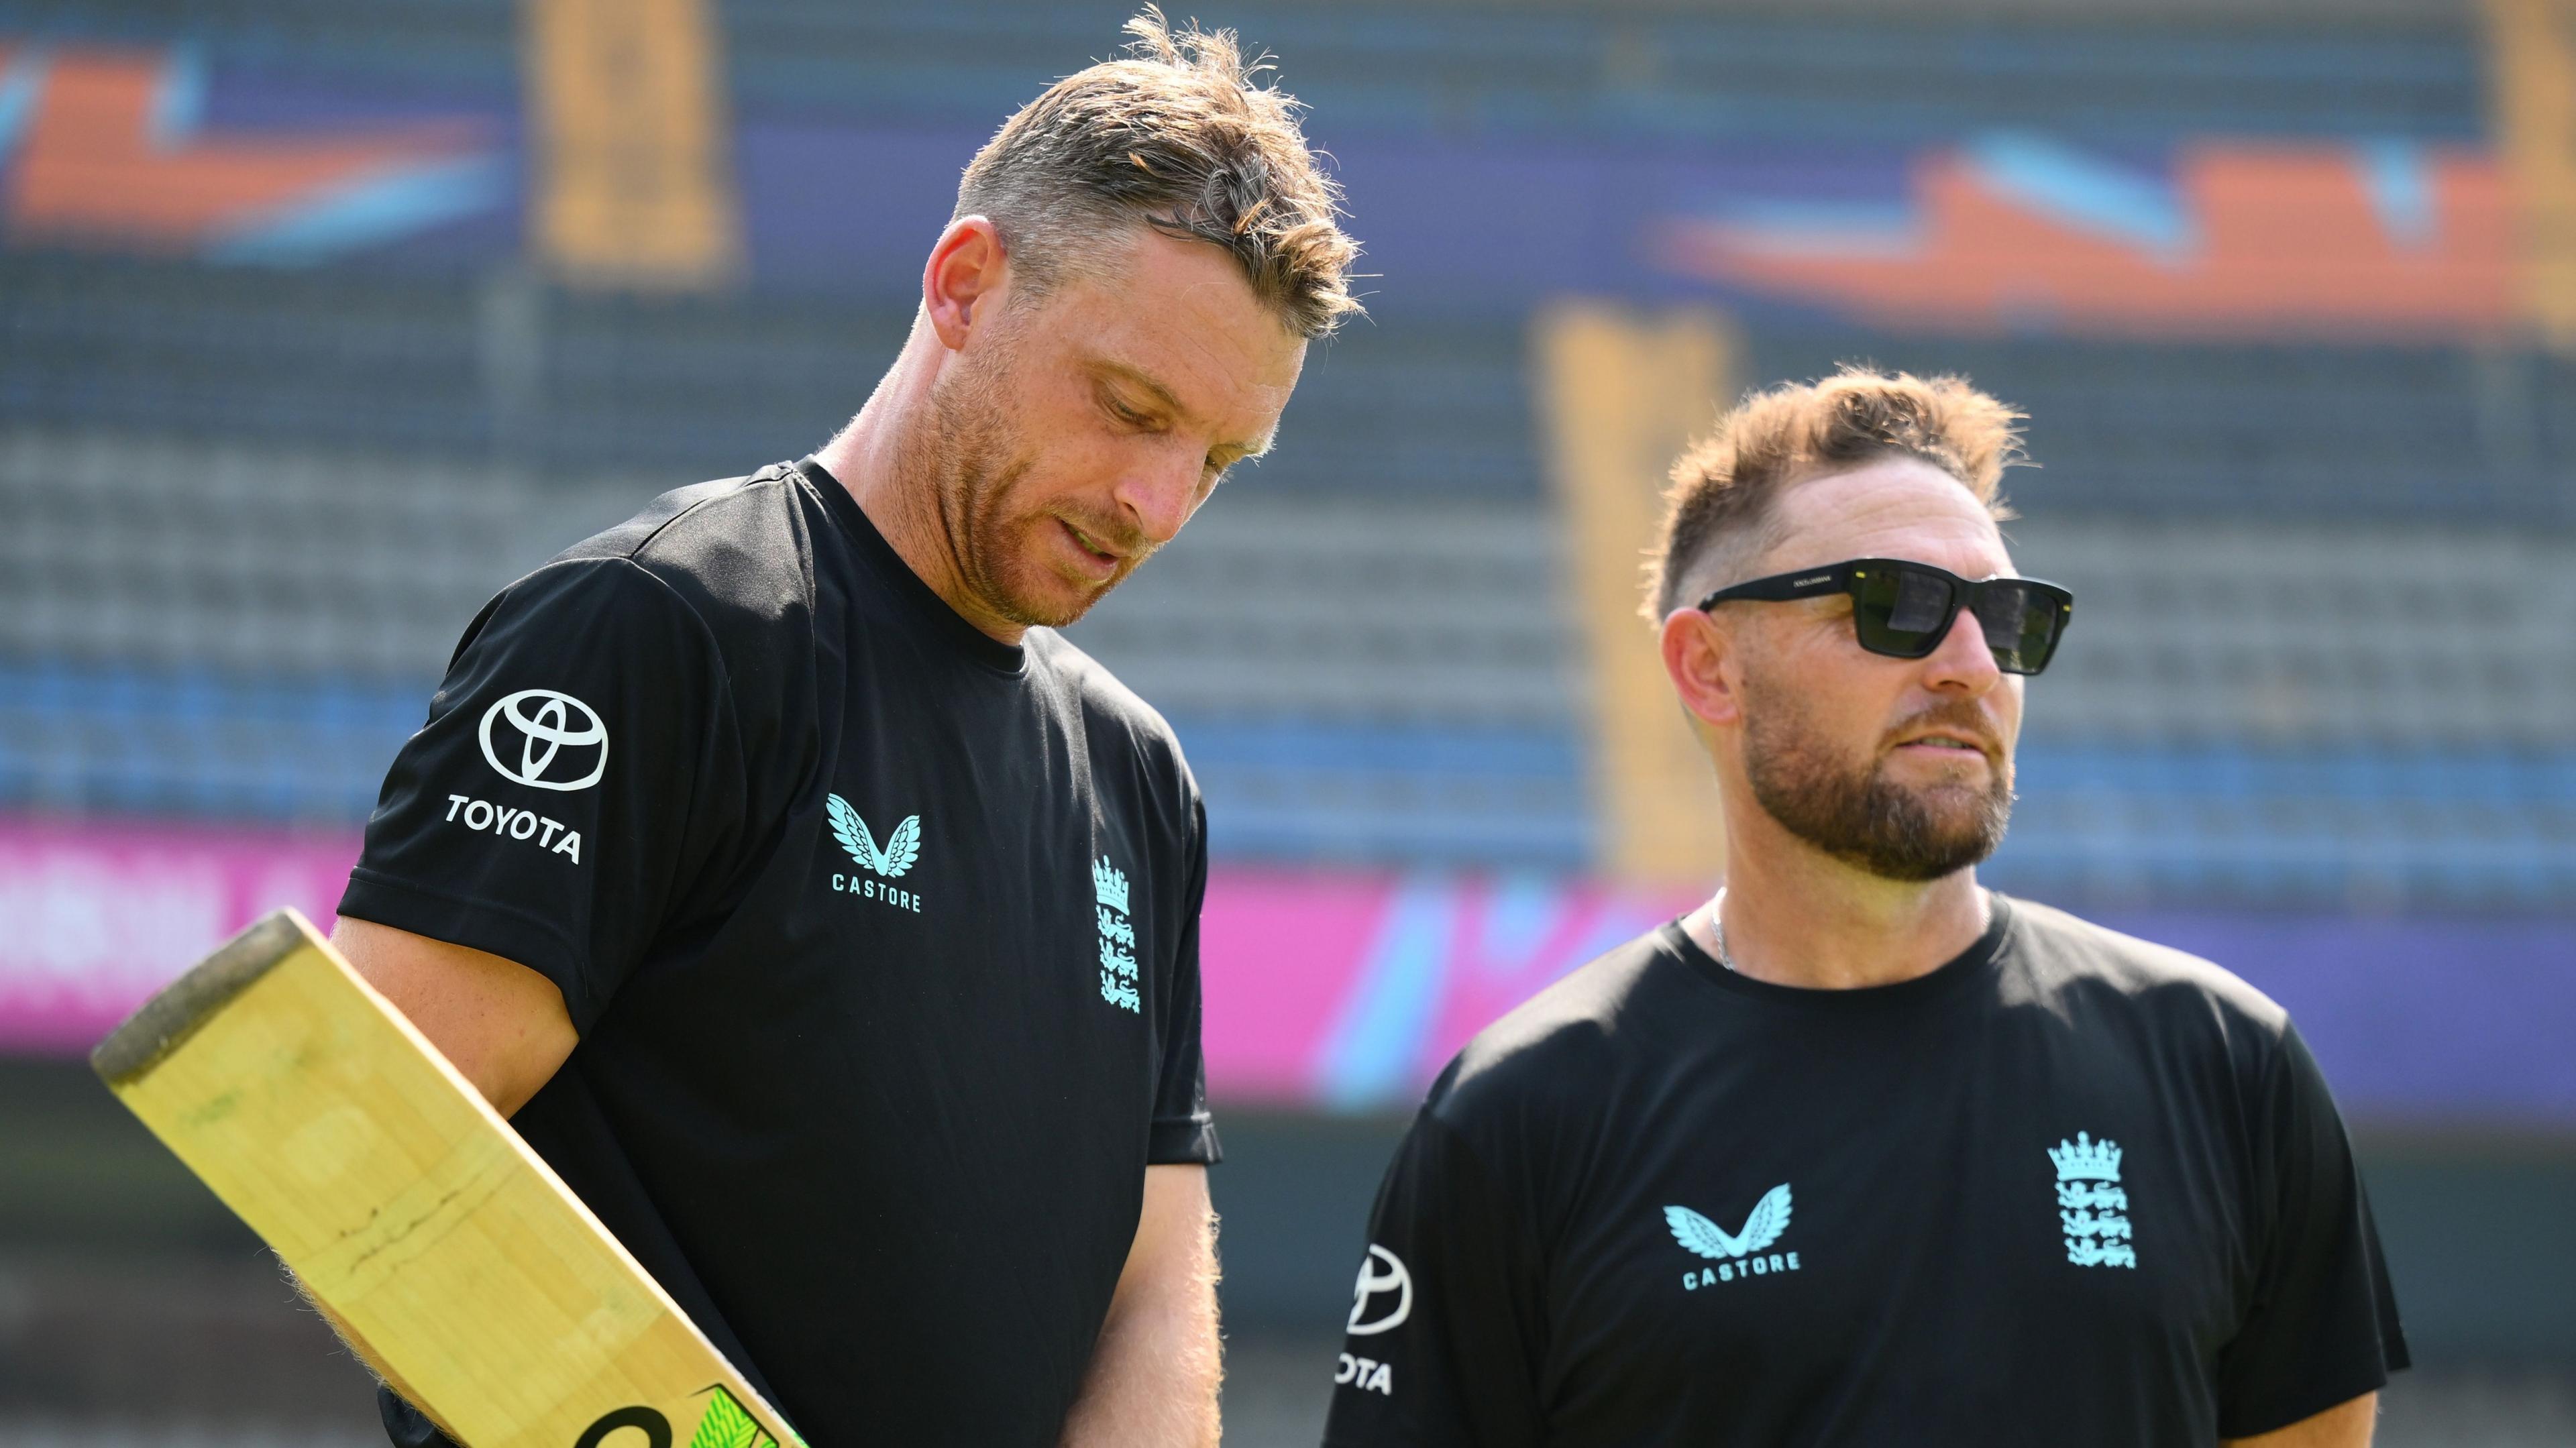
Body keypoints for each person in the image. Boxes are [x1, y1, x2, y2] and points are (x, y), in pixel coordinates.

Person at [328, 13, 1358, 1445]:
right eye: (1132, 409)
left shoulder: (1139, 781)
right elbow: (363, 1151)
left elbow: (1155, 1286)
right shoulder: (660, 631)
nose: (1160, 505)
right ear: (965, 285)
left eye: (1220, 462)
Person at [1320, 369, 2406, 1447]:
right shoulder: (1520, 1117)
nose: (1972, 666)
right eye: (1896, 608)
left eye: (2006, 618)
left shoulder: (2227, 1064)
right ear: (1710, 668)